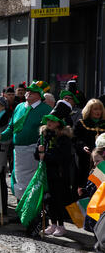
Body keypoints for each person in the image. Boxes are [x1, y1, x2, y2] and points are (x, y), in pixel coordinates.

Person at [0, 82, 52, 201]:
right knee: (18, 180)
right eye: (28, 91)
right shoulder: (19, 107)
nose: (28, 93)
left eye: (32, 92)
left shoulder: (46, 109)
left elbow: (50, 131)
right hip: (18, 151)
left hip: (34, 152)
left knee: (32, 182)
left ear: (39, 95)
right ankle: (21, 210)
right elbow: (11, 128)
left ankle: (33, 214)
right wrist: (1, 136)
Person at [36, 100, 74, 237]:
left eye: (53, 121)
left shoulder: (64, 139)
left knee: (58, 199)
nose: (49, 123)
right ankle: (52, 224)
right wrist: (39, 152)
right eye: (48, 120)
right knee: (48, 200)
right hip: (46, 173)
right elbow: (37, 153)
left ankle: (61, 225)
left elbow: (62, 157)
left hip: (58, 174)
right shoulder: (44, 135)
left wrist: (44, 155)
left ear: (59, 123)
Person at [73, 99, 105, 189]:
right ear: (89, 110)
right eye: (95, 109)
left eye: (100, 109)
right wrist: (83, 147)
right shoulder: (81, 124)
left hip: (102, 159)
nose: (98, 112)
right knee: (84, 184)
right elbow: (75, 139)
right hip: (85, 159)